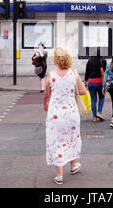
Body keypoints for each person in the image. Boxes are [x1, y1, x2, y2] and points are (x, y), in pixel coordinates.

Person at [43, 47, 87, 185]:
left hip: (55, 114)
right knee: (71, 138)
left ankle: (59, 175)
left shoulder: (51, 75)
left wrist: (45, 104)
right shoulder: (74, 73)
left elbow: (46, 94)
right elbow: (83, 91)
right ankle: (73, 166)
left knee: (56, 140)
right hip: (71, 113)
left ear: (56, 59)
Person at [84, 47, 107, 123]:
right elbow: (105, 73)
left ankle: (94, 118)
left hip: (90, 82)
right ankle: (99, 112)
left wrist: (85, 82)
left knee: (93, 100)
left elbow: (86, 72)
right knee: (102, 97)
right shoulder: (103, 61)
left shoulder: (89, 61)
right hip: (99, 82)